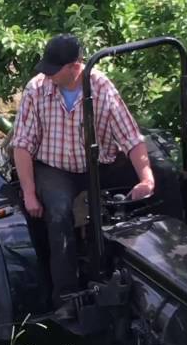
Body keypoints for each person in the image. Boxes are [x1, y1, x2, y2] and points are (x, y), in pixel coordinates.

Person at [10, 33, 156, 313]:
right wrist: (29, 193)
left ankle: (134, 278)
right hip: (54, 167)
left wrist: (147, 177)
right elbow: (23, 145)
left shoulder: (101, 87)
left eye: (56, 70)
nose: (48, 75)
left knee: (139, 194)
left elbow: (130, 137)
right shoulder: (36, 89)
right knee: (59, 212)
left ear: (75, 66)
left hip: (96, 164)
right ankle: (65, 298)